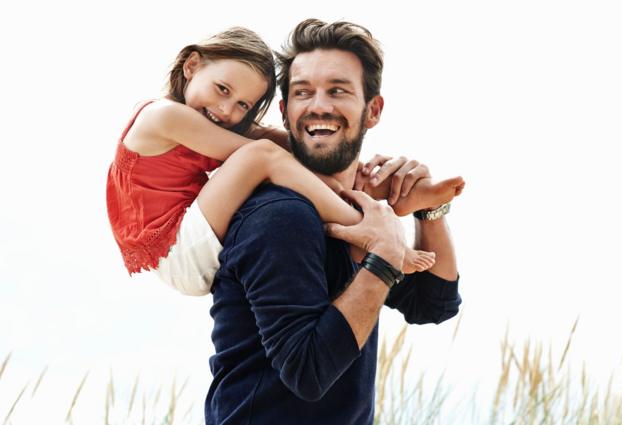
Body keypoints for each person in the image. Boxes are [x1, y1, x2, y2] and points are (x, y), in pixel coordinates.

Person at [205, 19, 463, 425]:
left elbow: (433, 303)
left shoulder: (357, 212)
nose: (319, 105)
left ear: (372, 110)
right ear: (285, 112)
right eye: (302, 92)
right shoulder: (280, 214)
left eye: (337, 90)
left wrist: (426, 211)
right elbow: (308, 372)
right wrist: (385, 254)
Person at [106, 27, 464, 296]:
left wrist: (362, 170)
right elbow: (265, 152)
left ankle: (394, 194)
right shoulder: (165, 116)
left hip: (189, 238)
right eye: (223, 89)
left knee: (286, 152)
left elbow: (282, 140)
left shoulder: (204, 120)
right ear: (192, 65)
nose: (227, 110)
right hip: (177, 249)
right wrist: (335, 185)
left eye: (244, 105)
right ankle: (372, 231)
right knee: (262, 156)